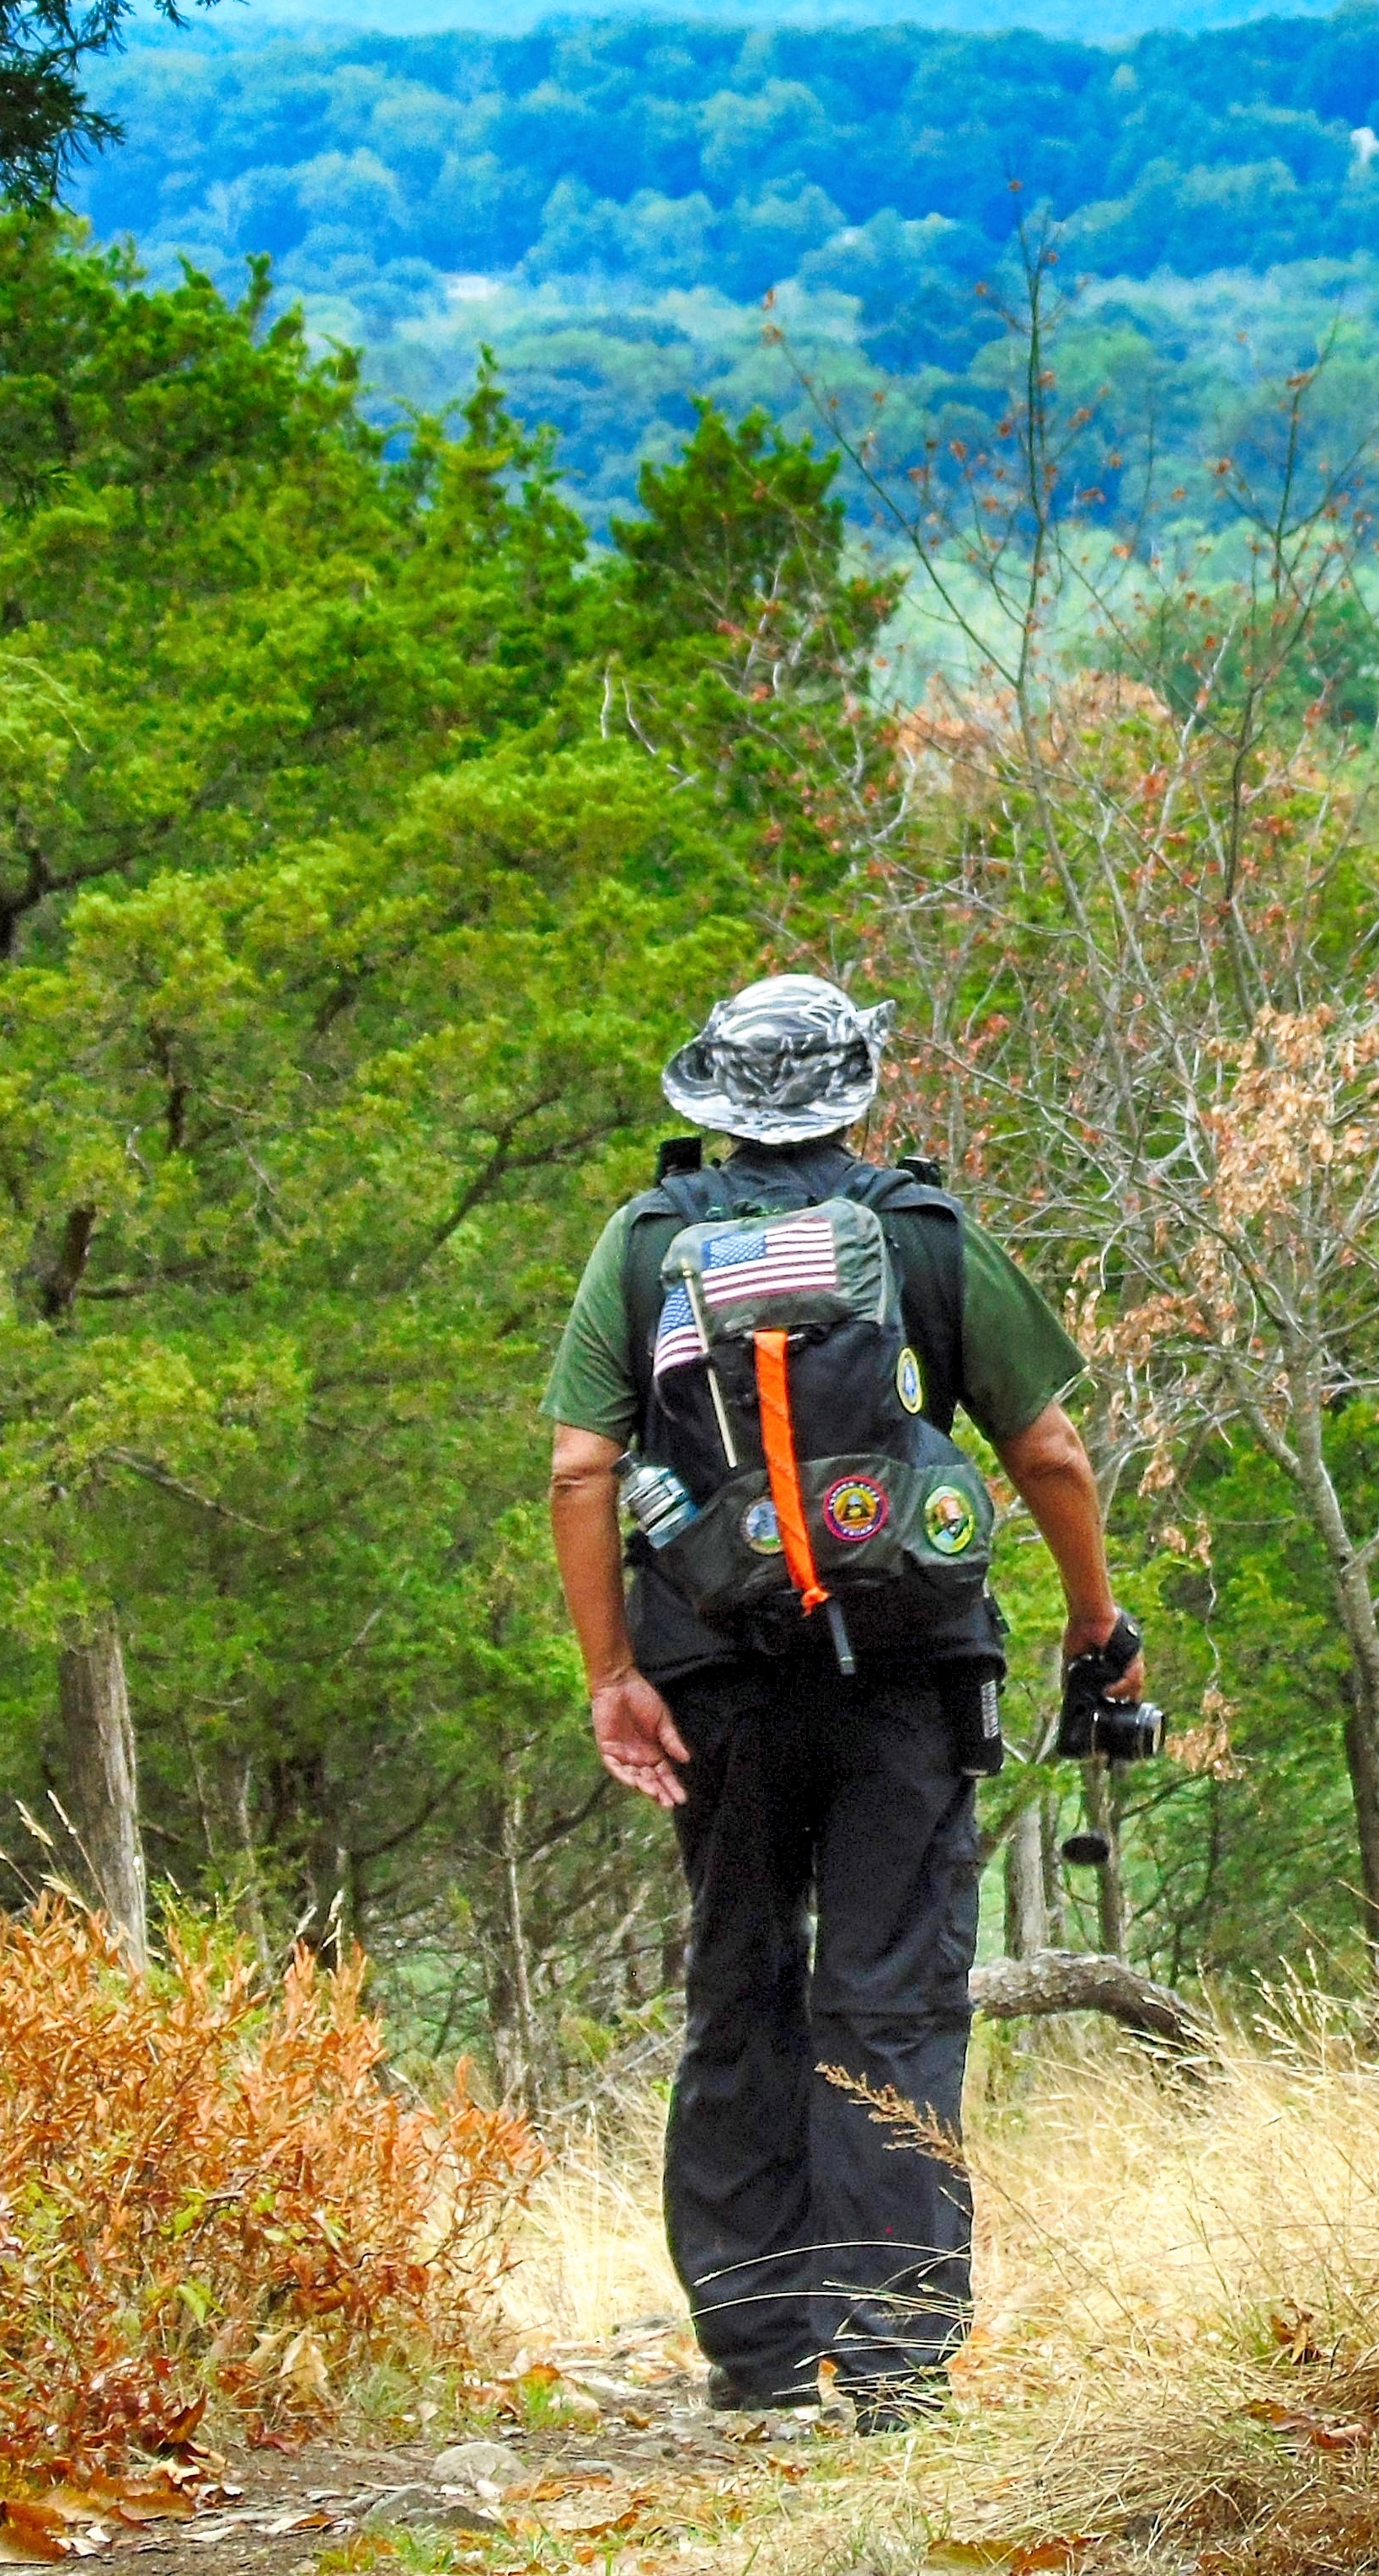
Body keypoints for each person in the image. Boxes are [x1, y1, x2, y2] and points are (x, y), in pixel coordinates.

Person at [545, 972, 1139, 2423]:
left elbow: (576, 1471)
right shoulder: (925, 1236)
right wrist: (1095, 1627)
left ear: (718, 1102)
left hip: (710, 1672)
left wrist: (614, 1675)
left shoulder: (644, 1243)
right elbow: (1049, 1450)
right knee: (889, 1998)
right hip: (904, 1673)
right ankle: (889, 2367)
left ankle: (754, 2357)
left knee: (738, 1984)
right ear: (857, 1090)